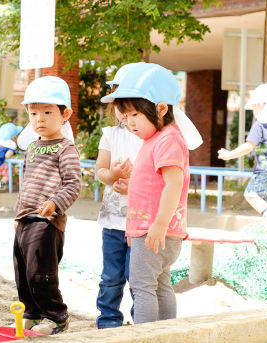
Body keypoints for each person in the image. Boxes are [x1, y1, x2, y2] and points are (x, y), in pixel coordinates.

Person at [106, 62, 191, 324]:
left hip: (155, 229)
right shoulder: (156, 139)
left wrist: (157, 225)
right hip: (151, 229)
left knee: (142, 287)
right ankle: (166, 332)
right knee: (160, 284)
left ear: (161, 108)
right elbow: (152, 186)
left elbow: (174, 185)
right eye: (125, 116)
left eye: (134, 115)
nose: (128, 123)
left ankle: (144, 336)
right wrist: (130, 187)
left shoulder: (167, 139)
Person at [13, 76, 82, 335]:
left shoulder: (66, 149)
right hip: (25, 219)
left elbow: (74, 185)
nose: (39, 118)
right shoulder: (32, 147)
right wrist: (18, 216)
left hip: (46, 221)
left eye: (47, 112)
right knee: (22, 270)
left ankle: (56, 316)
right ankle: (30, 313)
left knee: (41, 273)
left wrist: (54, 203)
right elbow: (27, 183)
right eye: (33, 113)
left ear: (65, 114)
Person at [95, 79, 143, 329]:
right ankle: (108, 321)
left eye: (130, 107)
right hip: (114, 221)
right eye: (118, 106)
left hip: (141, 221)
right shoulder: (110, 134)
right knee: (110, 277)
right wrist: (113, 175)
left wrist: (133, 182)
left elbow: (155, 179)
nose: (124, 113)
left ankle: (141, 321)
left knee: (136, 276)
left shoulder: (150, 137)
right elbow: (100, 171)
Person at [218, 83, 267, 223]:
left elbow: (248, 146)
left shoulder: (260, 125)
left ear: (261, 105)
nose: (253, 110)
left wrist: (229, 155)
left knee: (250, 194)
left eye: (253, 107)